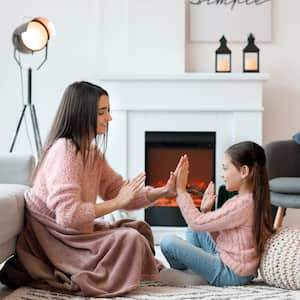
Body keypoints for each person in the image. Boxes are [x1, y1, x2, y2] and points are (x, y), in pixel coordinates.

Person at [0, 81, 177, 297]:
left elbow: (119, 191)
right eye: (102, 112)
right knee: (130, 239)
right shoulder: (64, 151)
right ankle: (153, 274)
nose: (109, 118)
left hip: (78, 231)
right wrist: (117, 203)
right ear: (82, 114)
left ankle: (153, 272)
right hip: (56, 240)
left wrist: (163, 192)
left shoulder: (91, 153)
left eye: (108, 111)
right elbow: (69, 216)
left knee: (138, 228)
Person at [160, 141, 275, 287]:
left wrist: (181, 190)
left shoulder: (242, 205)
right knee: (193, 230)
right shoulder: (249, 199)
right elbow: (224, 236)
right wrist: (205, 212)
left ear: (244, 171)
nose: (222, 174)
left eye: (225, 168)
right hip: (231, 261)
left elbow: (197, 222)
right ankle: (194, 273)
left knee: (167, 242)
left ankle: (193, 277)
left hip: (230, 272)